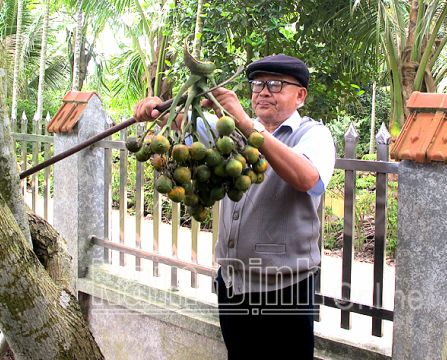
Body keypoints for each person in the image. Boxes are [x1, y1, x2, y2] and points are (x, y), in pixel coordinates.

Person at [134, 54, 335, 359]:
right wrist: (155, 109)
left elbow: (307, 178)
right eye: (258, 84)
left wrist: (246, 123)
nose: (264, 92)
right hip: (233, 284)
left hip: (284, 289)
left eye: (276, 85)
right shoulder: (230, 132)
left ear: (301, 95)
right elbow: (182, 121)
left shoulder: (314, 135)